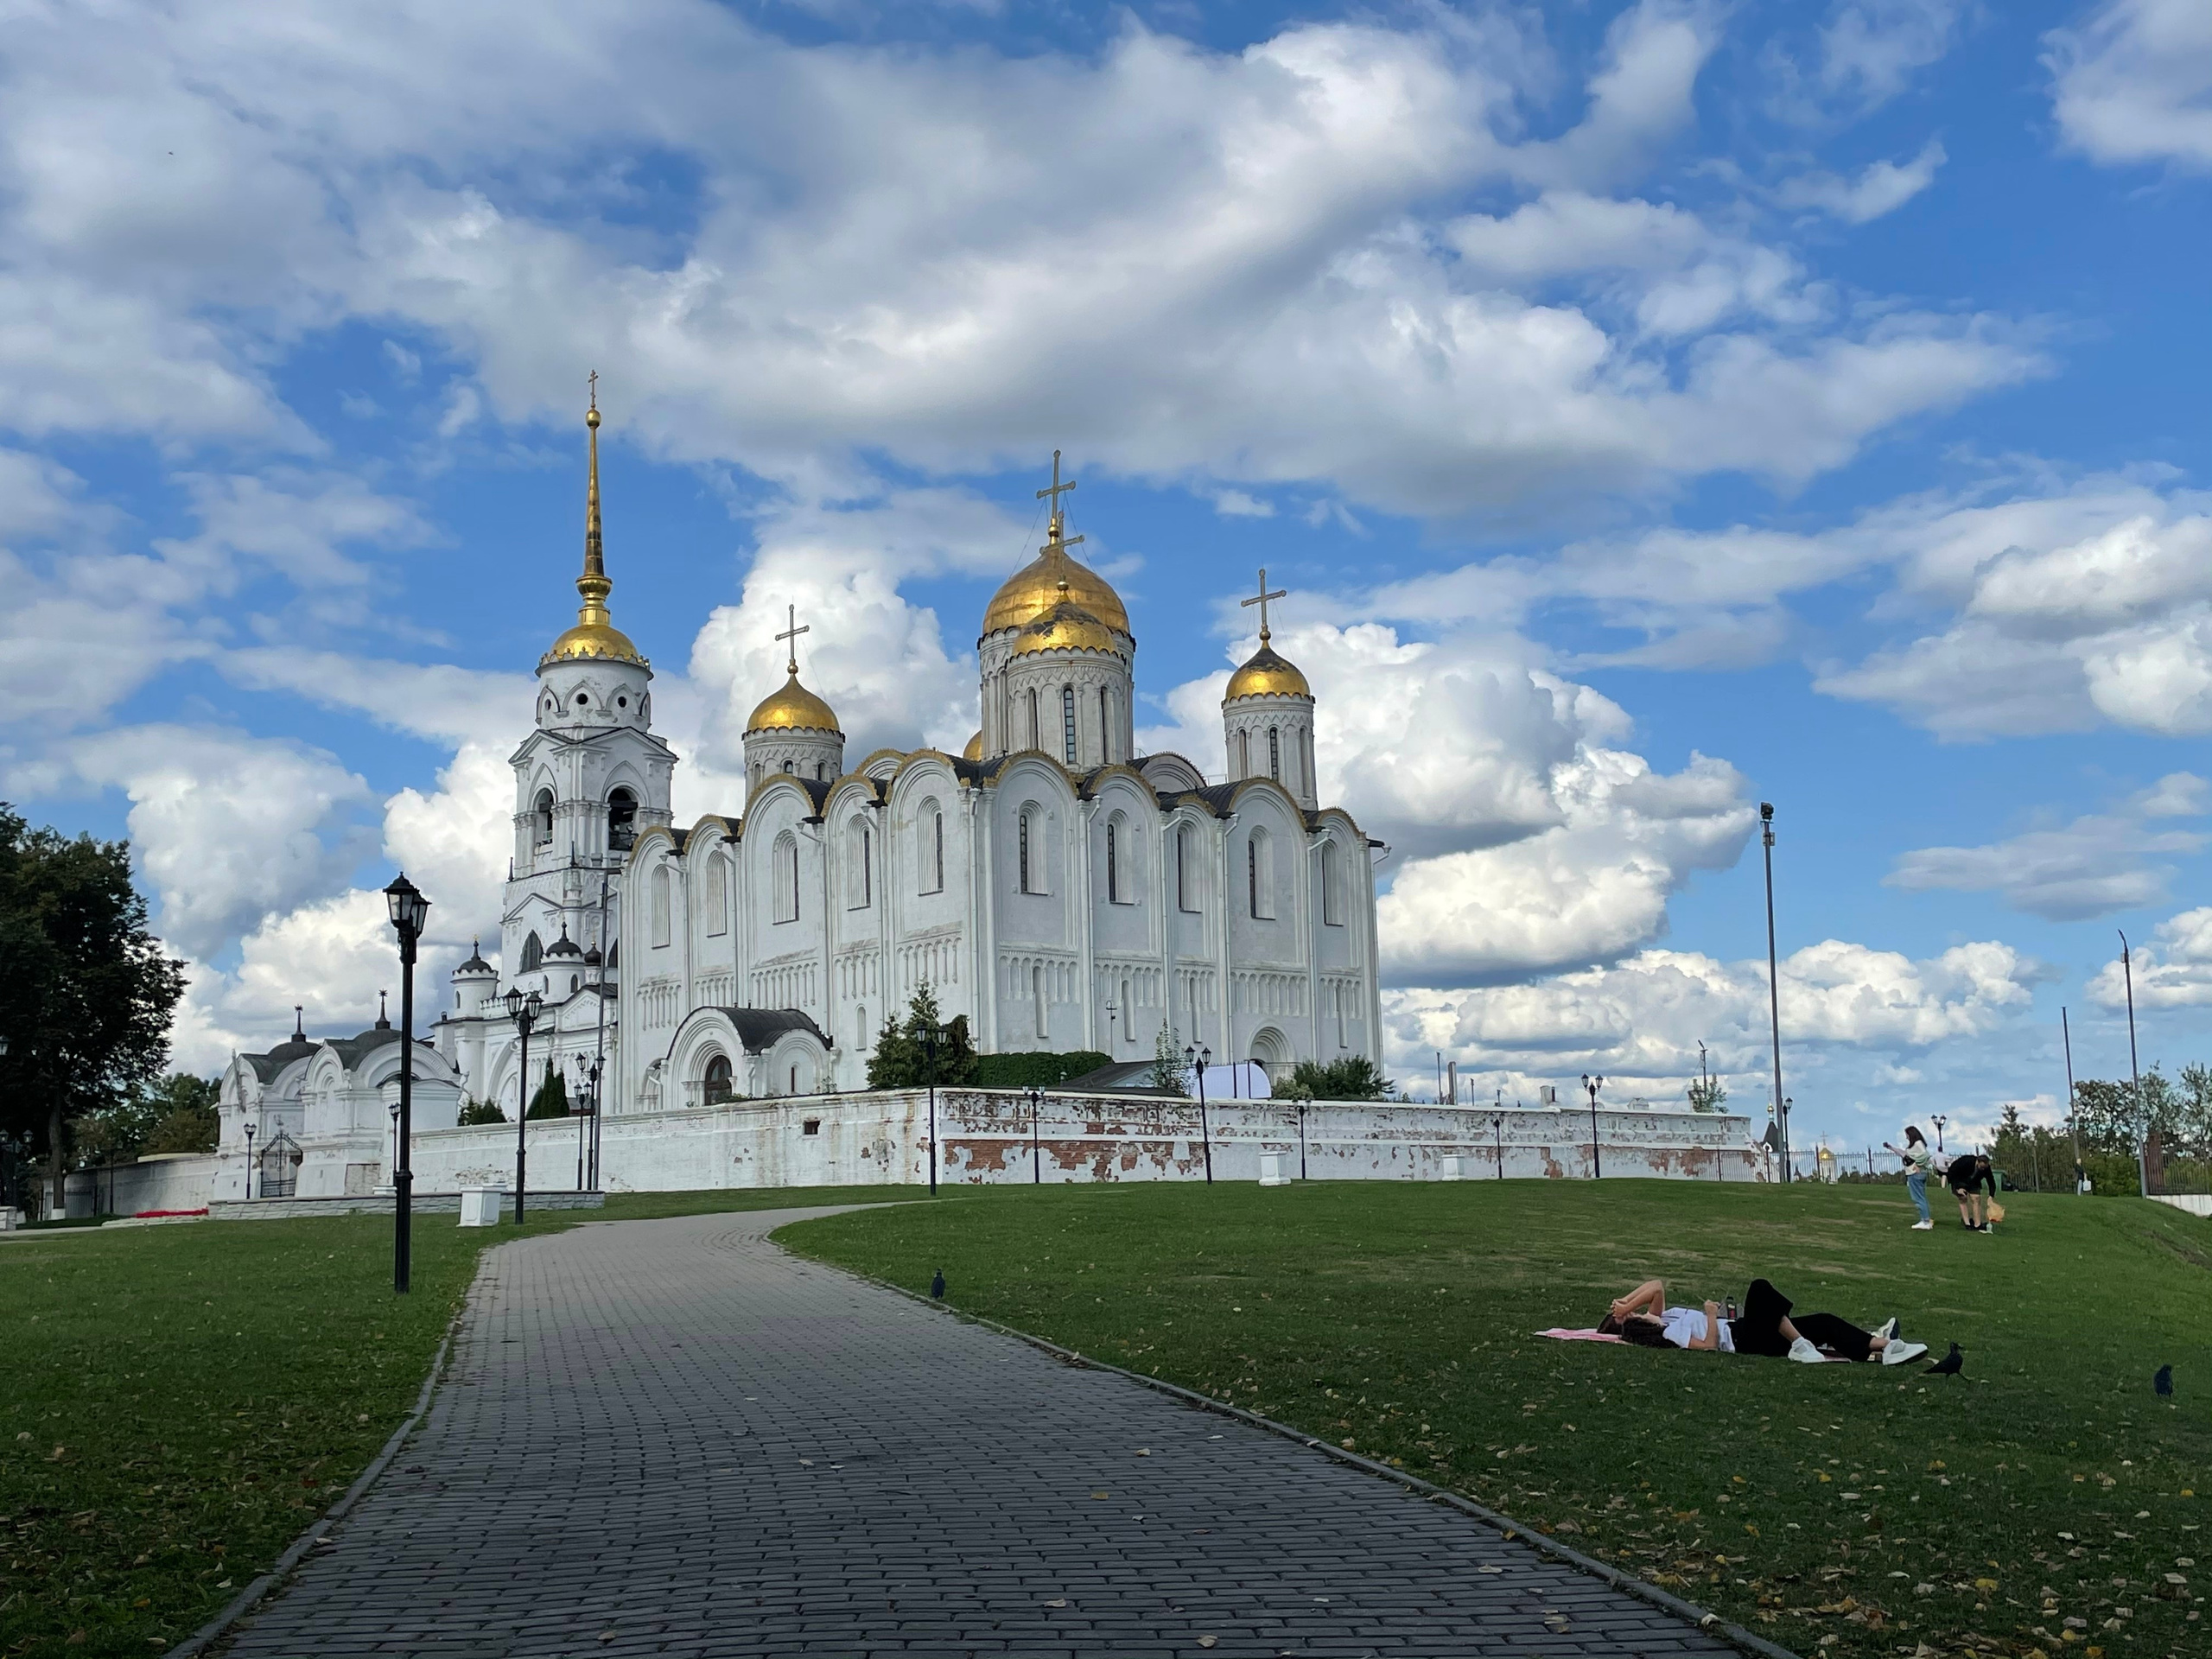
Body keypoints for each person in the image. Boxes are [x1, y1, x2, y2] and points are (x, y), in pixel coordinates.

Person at [1720, 1277, 1927, 1365]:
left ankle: (1885, 1346)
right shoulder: (1685, 1327)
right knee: (1759, 1287)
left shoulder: (1685, 1315)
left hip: (1743, 1329)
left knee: (1824, 1322)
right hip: (1740, 1339)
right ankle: (1800, 1345)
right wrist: (1711, 1316)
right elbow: (1703, 1345)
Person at [1599, 1279, 1734, 1352]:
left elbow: (1656, 1285)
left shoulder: (1657, 1318)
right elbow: (1709, 1346)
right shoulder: (1667, 1332)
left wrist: (1625, 1300)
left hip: (1731, 1324)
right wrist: (1711, 1314)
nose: (1629, 1312)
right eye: (1624, 1317)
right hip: (1733, 1335)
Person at [1884, 1127, 1935, 1229]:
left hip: (1915, 1173)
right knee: (1921, 1197)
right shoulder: (1915, 1146)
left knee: (1918, 1198)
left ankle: (1925, 1221)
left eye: (1907, 1134)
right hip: (1916, 1173)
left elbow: (1926, 1155)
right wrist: (1891, 1147)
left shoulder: (1918, 1143)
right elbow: (1904, 1154)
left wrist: (1918, 1164)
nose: (1906, 1137)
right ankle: (1926, 1220)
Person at [1944, 1151, 1998, 1231]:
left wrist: (1991, 1195)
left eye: (1984, 1168)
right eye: (1981, 1167)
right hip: (1960, 1180)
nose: (1983, 1169)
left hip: (1974, 1182)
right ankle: (1967, 1224)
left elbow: (1991, 1181)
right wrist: (1957, 1188)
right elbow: (1953, 1173)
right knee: (1963, 1198)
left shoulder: (1986, 1168)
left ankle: (1977, 1224)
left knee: (1976, 1198)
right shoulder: (1966, 1161)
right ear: (1977, 1162)